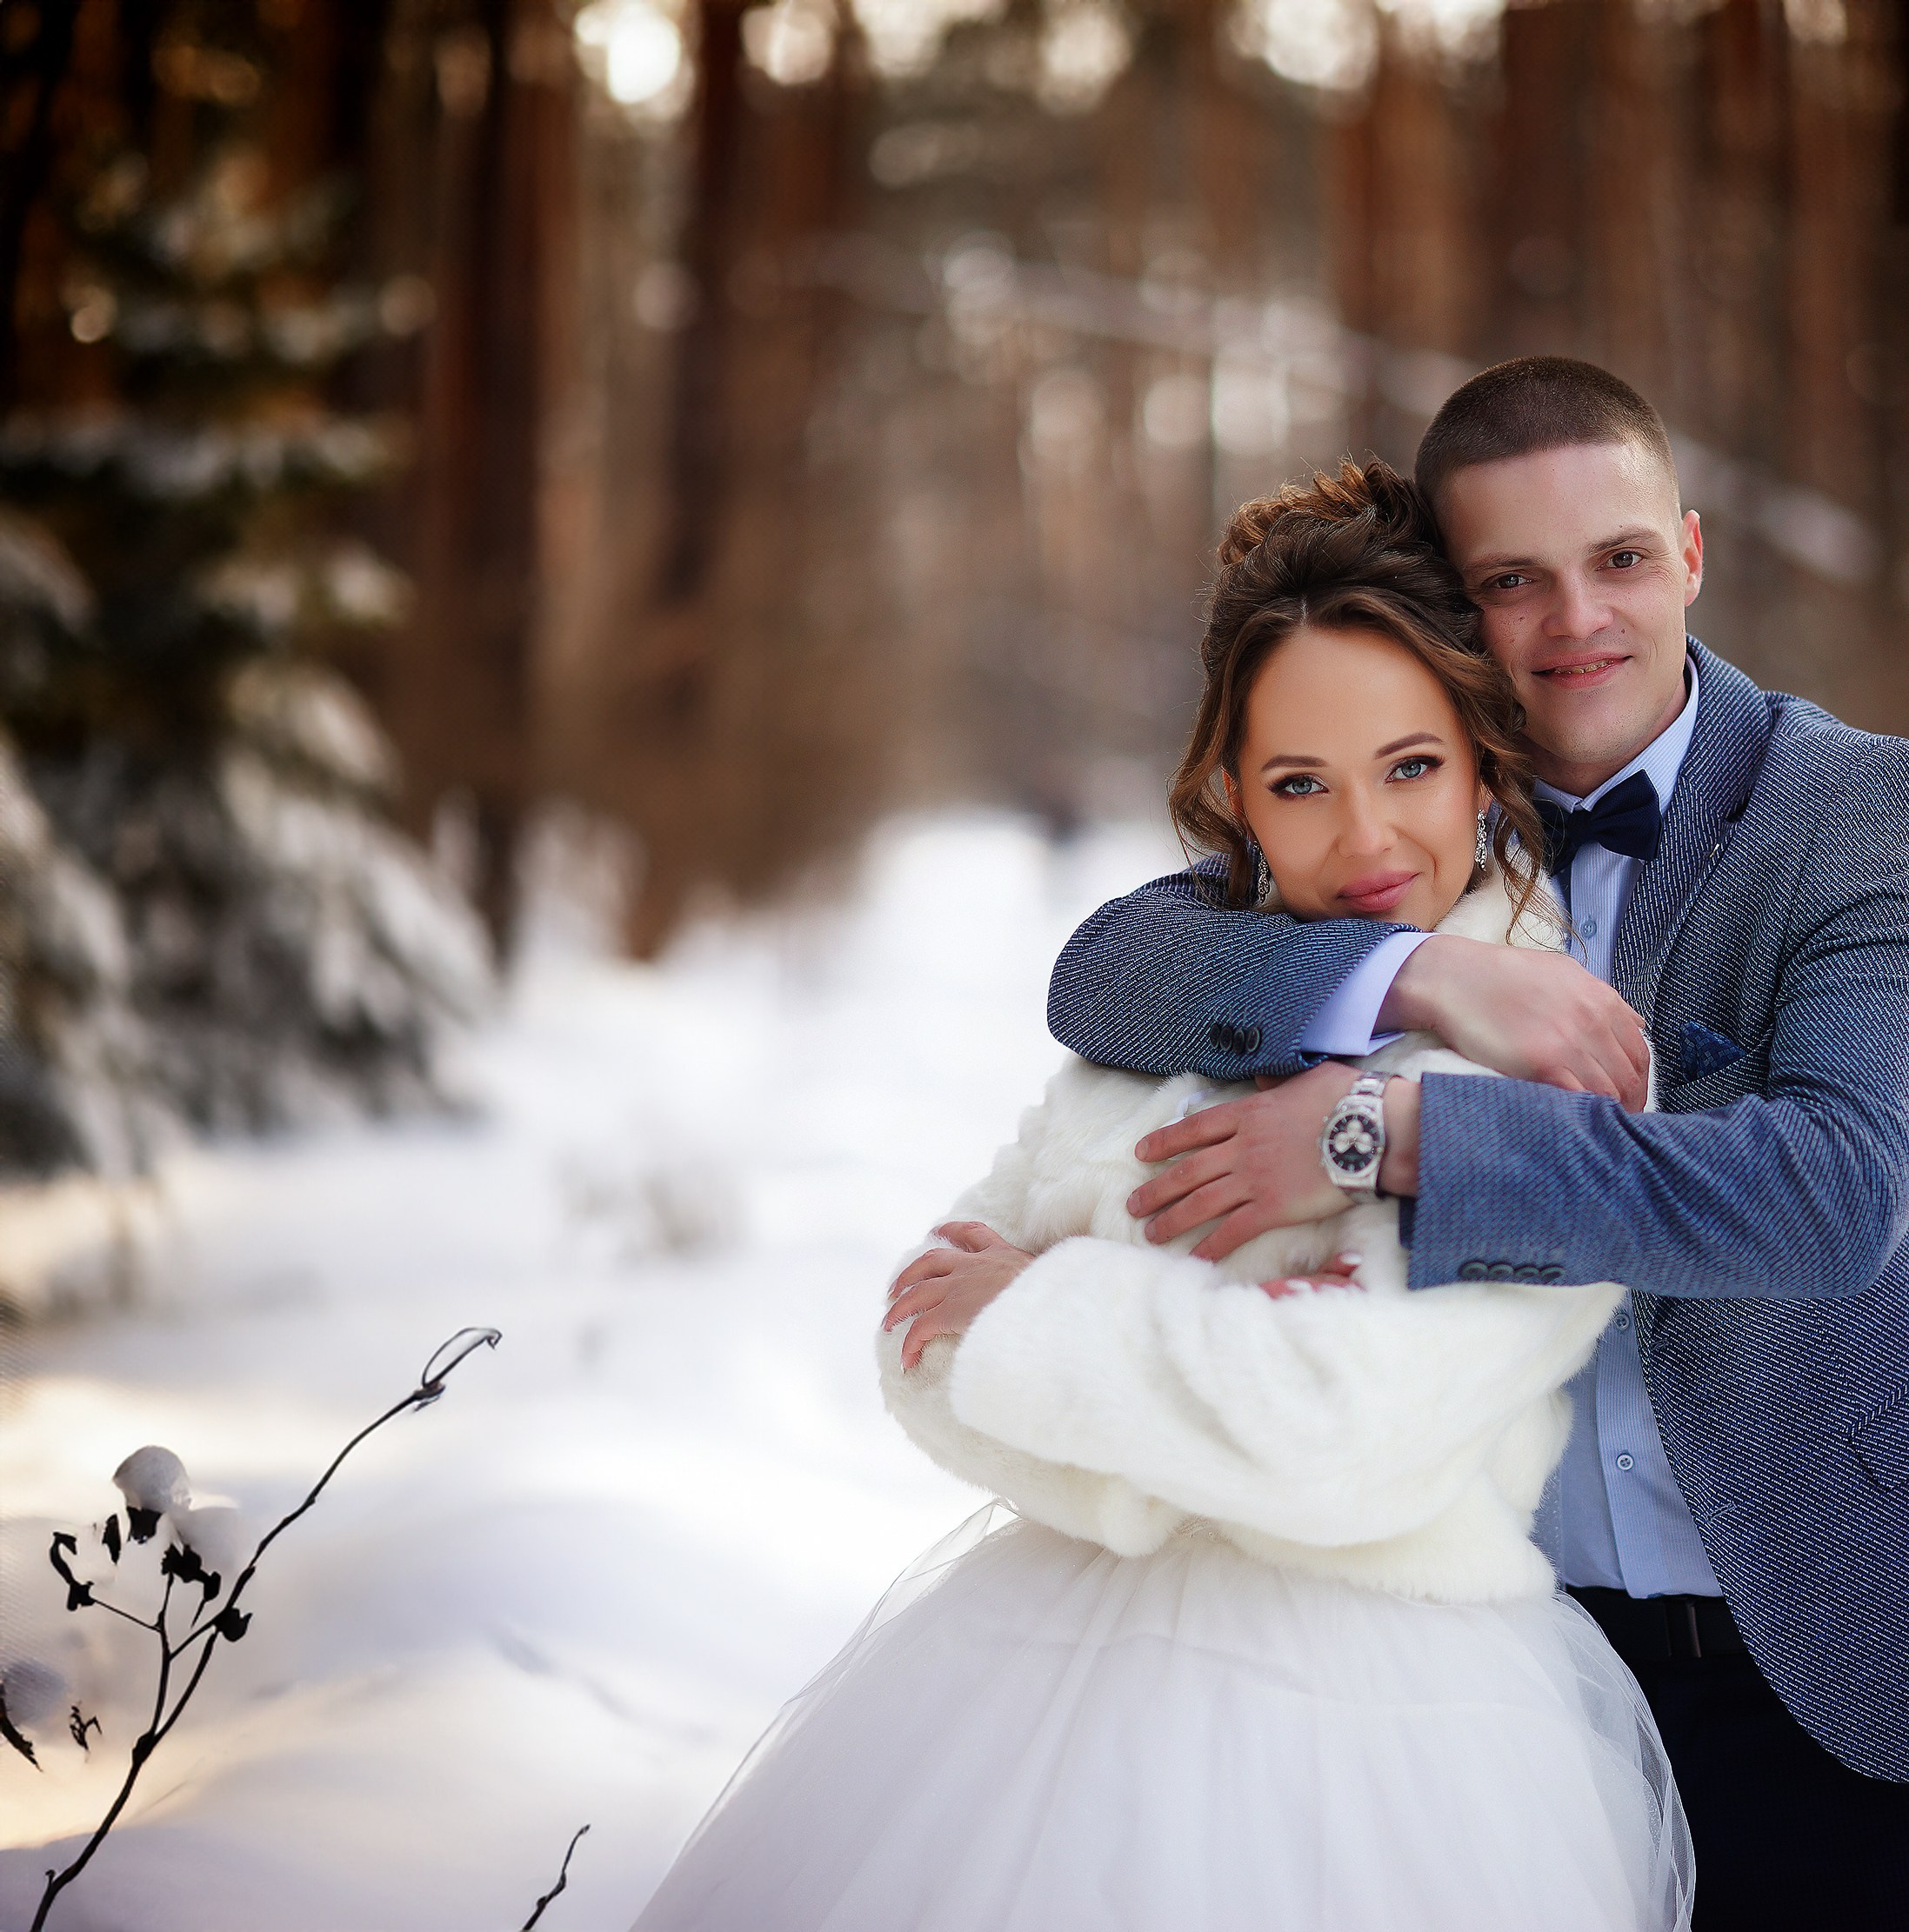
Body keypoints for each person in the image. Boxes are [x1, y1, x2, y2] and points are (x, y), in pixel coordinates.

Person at [635, 461, 1692, 1932]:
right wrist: (1182, 1402)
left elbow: (1344, 1442)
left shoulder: (1558, 1055)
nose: (1367, 843)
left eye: (1410, 768)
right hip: (1032, 1681)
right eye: (1300, 787)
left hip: (1388, 1729)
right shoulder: (1188, 1012)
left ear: (1482, 760)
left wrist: (1056, 1327)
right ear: (1236, 798)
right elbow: (919, 1341)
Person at [1046, 356, 1909, 1929]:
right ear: (1458, 603)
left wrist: (1400, 1128)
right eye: (1514, 580)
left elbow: (1835, 1196)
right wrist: (1418, 968)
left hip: (1811, 1656)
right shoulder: (1410, 813)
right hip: (1493, 1664)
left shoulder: (1855, 812)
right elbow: (1105, 968)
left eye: (1622, 560)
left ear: (1693, 554)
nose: (1577, 621)